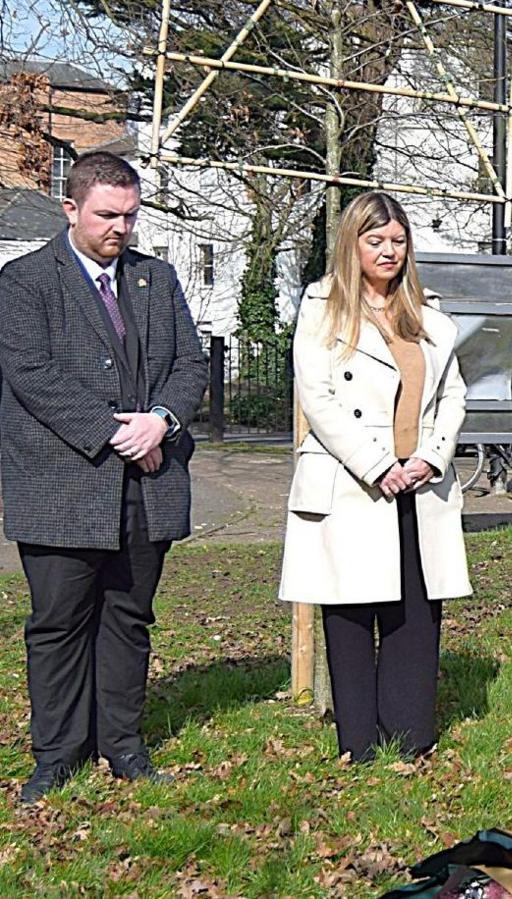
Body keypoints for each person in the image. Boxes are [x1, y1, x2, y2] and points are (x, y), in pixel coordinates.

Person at [0, 152, 207, 804]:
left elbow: (190, 365)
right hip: (62, 484)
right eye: (107, 215)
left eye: (130, 215)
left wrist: (161, 420)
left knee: (128, 618)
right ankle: (56, 755)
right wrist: (121, 434)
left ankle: (122, 745)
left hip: (147, 488)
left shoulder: (156, 279)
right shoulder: (25, 282)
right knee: (58, 622)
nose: (120, 228)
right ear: (71, 208)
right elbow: (33, 375)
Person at [279, 191, 471, 762]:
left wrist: (432, 457)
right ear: (352, 244)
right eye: (375, 241)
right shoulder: (322, 306)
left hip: (421, 484)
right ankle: (358, 743)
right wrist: (376, 464)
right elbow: (316, 396)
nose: (389, 251)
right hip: (353, 483)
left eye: (397, 240)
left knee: (416, 609)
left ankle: (411, 736)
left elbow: (452, 395)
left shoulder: (430, 314)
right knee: (352, 611)